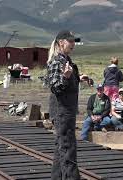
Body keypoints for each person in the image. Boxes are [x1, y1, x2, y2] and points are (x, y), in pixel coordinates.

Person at [44, 30, 87, 180]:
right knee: (68, 147)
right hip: (62, 111)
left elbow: (66, 83)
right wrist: (65, 77)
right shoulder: (57, 61)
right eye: (70, 41)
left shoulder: (66, 60)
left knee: (61, 147)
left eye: (74, 41)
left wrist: (78, 78)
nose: (73, 44)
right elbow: (55, 87)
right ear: (61, 42)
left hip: (66, 110)